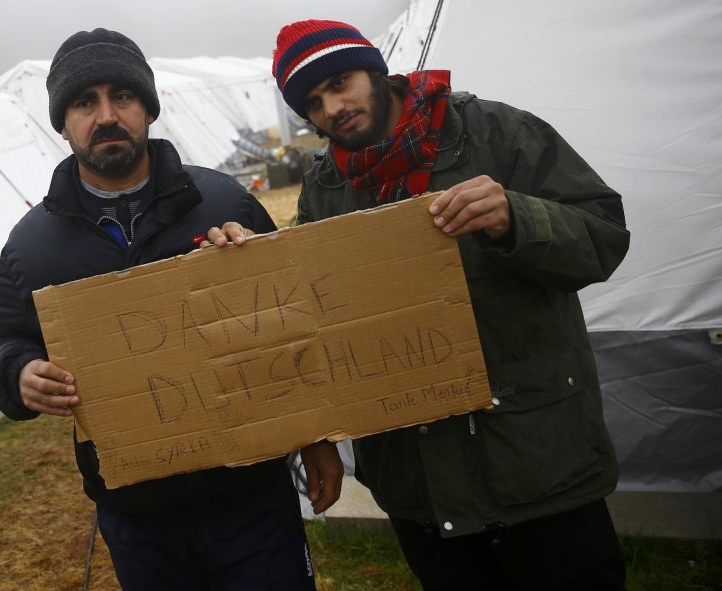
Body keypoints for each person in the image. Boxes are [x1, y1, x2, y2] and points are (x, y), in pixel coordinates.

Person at [209, 19, 630, 591]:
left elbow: (604, 236)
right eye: (312, 102)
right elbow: (312, 317)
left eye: (340, 83)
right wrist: (252, 268)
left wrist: (516, 218)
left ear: (377, 70)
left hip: (538, 466)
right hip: (421, 488)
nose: (331, 108)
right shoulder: (326, 188)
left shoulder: (493, 132)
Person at [0, 28, 334, 591]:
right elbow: (3, 337)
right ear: (63, 121)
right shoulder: (32, 246)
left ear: (147, 107)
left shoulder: (223, 202)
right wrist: (18, 372)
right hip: (136, 513)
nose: (105, 116)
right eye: (83, 102)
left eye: (121, 96)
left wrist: (317, 437)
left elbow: (293, 320)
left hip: (250, 497)